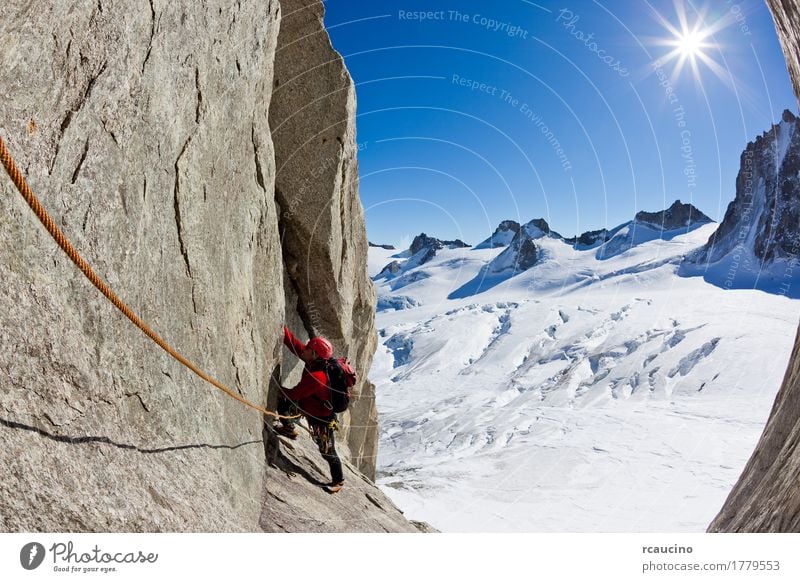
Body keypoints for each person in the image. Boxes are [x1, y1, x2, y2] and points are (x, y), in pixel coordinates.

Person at [275, 325, 344, 494]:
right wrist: (283, 329)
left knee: (327, 451)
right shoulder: (315, 360)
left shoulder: (318, 376)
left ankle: (338, 481)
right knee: (284, 404)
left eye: (308, 348)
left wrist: (275, 388)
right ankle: (289, 428)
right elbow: (296, 347)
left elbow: (295, 393)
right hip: (310, 407)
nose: (304, 349)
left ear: (314, 354)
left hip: (321, 418)